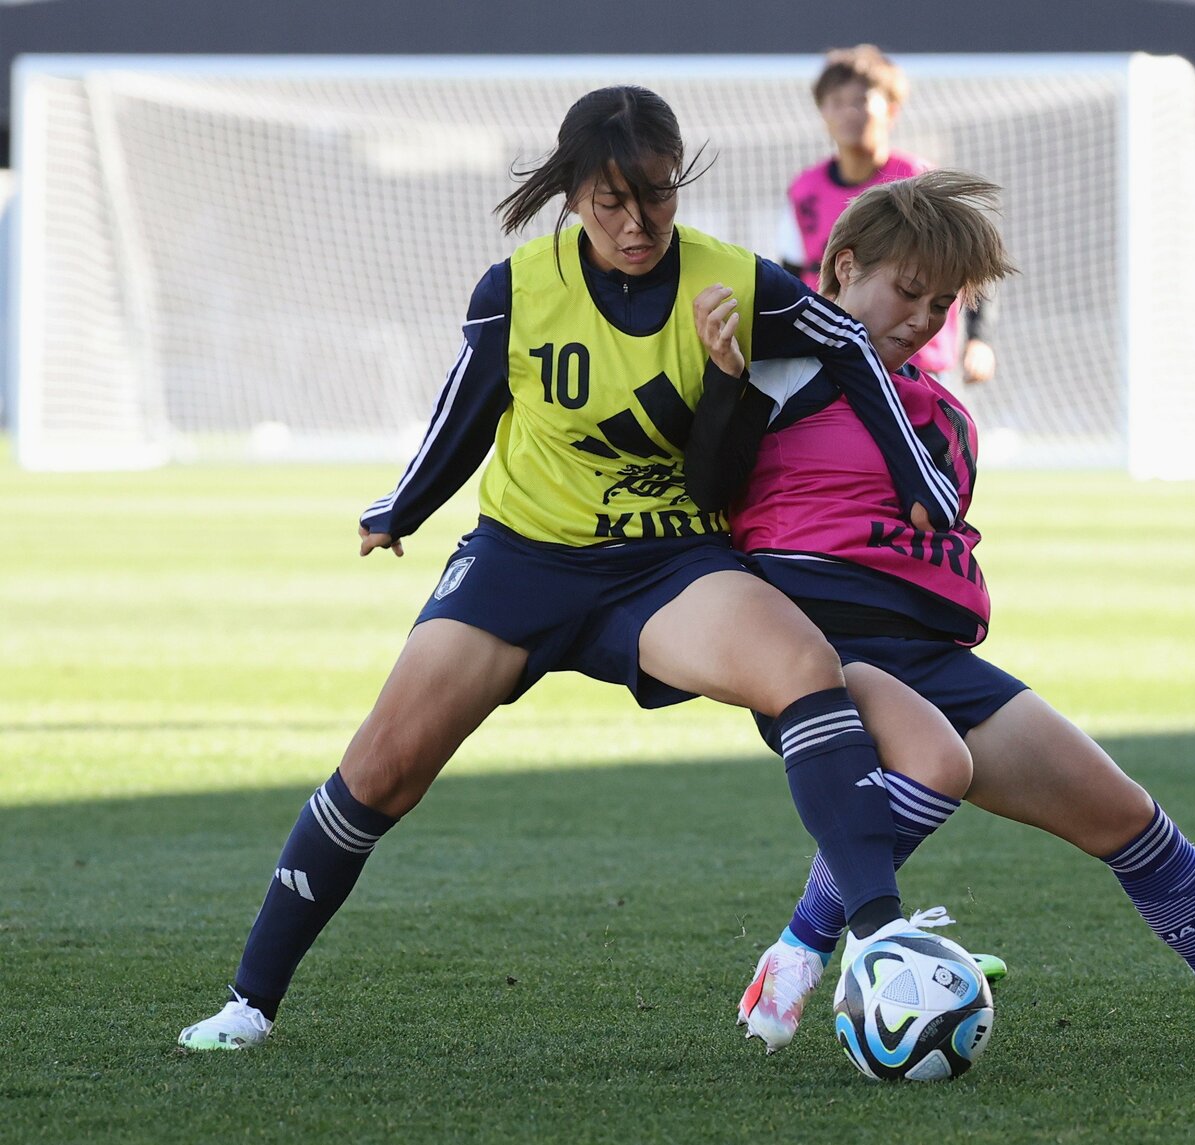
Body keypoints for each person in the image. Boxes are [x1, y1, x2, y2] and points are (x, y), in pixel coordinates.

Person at [177, 85, 969, 1051]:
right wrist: (402, 507)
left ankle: (878, 940)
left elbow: (846, 343)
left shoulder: (733, 278)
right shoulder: (516, 288)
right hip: (523, 562)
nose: (637, 224)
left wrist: (915, 475)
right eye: (611, 202)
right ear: (572, 192)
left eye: (658, 199)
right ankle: (249, 1001)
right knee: (380, 769)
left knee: (804, 665)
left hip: (668, 565)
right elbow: (463, 419)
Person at [688, 170, 1195, 1054]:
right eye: (906, 290)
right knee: (938, 763)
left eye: (943, 302)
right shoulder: (772, 371)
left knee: (1125, 814)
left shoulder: (946, 418)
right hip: (813, 650)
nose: (925, 318)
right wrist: (719, 385)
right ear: (843, 267)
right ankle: (800, 951)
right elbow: (702, 493)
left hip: (932, 658)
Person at [780, 44, 995, 388]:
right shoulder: (805, 190)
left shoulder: (920, 180)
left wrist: (979, 339)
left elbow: (969, 266)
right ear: (823, 113)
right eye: (837, 102)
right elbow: (790, 274)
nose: (849, 112)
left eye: (861, 101)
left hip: (919, 365)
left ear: (891, 110)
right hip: (833, 358)